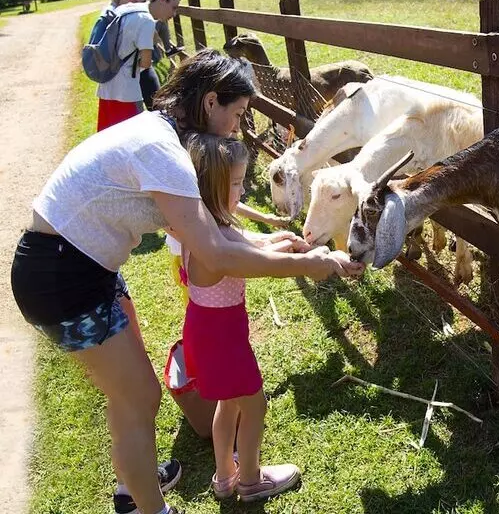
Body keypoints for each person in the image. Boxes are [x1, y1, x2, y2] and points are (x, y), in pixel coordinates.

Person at [10, 49, 363, 514]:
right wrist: (310, 264)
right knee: (138, 397)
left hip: (78, 268)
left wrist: (270, 241)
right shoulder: (164, 153)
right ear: (212, 101)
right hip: (64, 277)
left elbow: (206, 228)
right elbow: (216, 251)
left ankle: (132, 484)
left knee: (130, 398)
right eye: (236, 115)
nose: (237, 128)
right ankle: (148, 506)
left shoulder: (162, 137)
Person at [181, 133, 315, 502]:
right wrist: (306, 260)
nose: (242, 191)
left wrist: (282, 240)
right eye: (237, 183)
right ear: (213, 186)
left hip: (208, 333)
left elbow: (251, 245)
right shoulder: (218, 238)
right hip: (223, 340)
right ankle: (252, 480)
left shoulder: (206, 228)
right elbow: (257, 261)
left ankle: (225, 477)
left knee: (229, 403)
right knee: (255, 405)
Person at [96, 0, 181, 132]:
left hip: (107, 85)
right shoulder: (146, 20)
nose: (173, 14)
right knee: (133, 136)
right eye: (173, 7)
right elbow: (147, 63)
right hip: (126, 91)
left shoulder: (127, 9)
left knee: (108, 135)